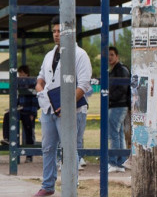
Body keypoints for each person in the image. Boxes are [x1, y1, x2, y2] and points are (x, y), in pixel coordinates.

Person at [32, 16, 92, 197]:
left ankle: (70, 187)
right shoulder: (49, 55)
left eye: (60, 31)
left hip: (71, 110)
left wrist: (67, 105)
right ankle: (48, 185)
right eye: (54, 31)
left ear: (70, 33)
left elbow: (84, 84)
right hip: (49, 109)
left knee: (69, 148)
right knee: (48, 147)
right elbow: (41, 77)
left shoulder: (80, 55)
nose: (57, 35)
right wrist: (39, 86)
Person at [1, 65, 38, 163]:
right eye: (19, 73)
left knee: (28, 132)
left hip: (28, 111)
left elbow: (35, 99)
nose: (20, 75)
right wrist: (13, 108)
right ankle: (7, 138)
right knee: (7, 116)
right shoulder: (19, 83)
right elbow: (18, 98)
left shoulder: (33, 82)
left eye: (22, 73)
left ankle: (29, 155)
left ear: (27, 73)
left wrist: (33, 113)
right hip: (20, 110)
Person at [108, 46, 131, 172]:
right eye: (108, 55)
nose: (110, 57)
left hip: (118, 105)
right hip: (117, 105)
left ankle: (114, 162)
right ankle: (122, 161)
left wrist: (109, 97)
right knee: (119, 133)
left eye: (112, 54)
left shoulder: (121, 70)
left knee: (113, 134)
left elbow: (123, 89)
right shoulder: (113, 70)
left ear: (117, 56)